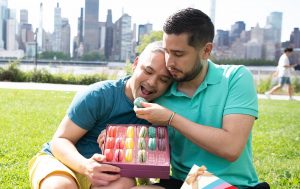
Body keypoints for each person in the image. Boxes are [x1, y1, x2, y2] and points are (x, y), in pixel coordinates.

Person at [133, 8, 269, 189]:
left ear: (206, 50)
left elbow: (231, 148)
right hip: (183, 183)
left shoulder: (236, 77)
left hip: (233, 186)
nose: (169, 62)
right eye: (167, 52)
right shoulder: (161, 89)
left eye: (178, 54)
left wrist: (171, 119)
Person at [28, 41, 173, 189]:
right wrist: (85, 166)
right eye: (148, 71)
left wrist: (121, 140)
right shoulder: (99, 95)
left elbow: (146, 160)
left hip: (105, 172)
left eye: (163, 79)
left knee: (124, 183)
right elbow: (60, 140)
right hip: (61, 161)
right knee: (62, 186)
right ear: (135, 64)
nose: (152, 82)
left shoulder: (159, 111)